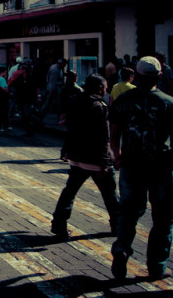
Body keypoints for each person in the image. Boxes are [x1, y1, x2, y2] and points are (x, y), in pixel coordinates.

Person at [110, 56, 173, 281]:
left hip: (131, 165)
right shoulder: (168, 102)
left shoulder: (124, 100)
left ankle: (121, 249)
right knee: (163, 218)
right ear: (159, 76)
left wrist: (117, 156)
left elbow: (114, 134)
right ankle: (157, 265)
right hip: (161, 168)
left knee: (128, 213)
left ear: (135, 76)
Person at [50, 74, 118, 240]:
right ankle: (118, 225)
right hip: (95, 159)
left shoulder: (75, 101)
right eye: (105, 87)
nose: (106, 90)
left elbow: (70, 128)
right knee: (111, 195)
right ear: (100, 88)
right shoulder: (99, 106)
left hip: (77, 157)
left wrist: (66, 149)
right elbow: (104, 136)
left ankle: (58, 225)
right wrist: (104, 162)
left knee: (69, 192)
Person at [0, 66, 11, 132]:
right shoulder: (2, 79)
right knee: (3, 112)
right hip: (2, 97)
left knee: (1, 112)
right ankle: (1, 127)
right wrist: (9, 93)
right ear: (2, 72)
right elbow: (4, 88)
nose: (6, 73)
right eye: (5, 72)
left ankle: (1, 126)